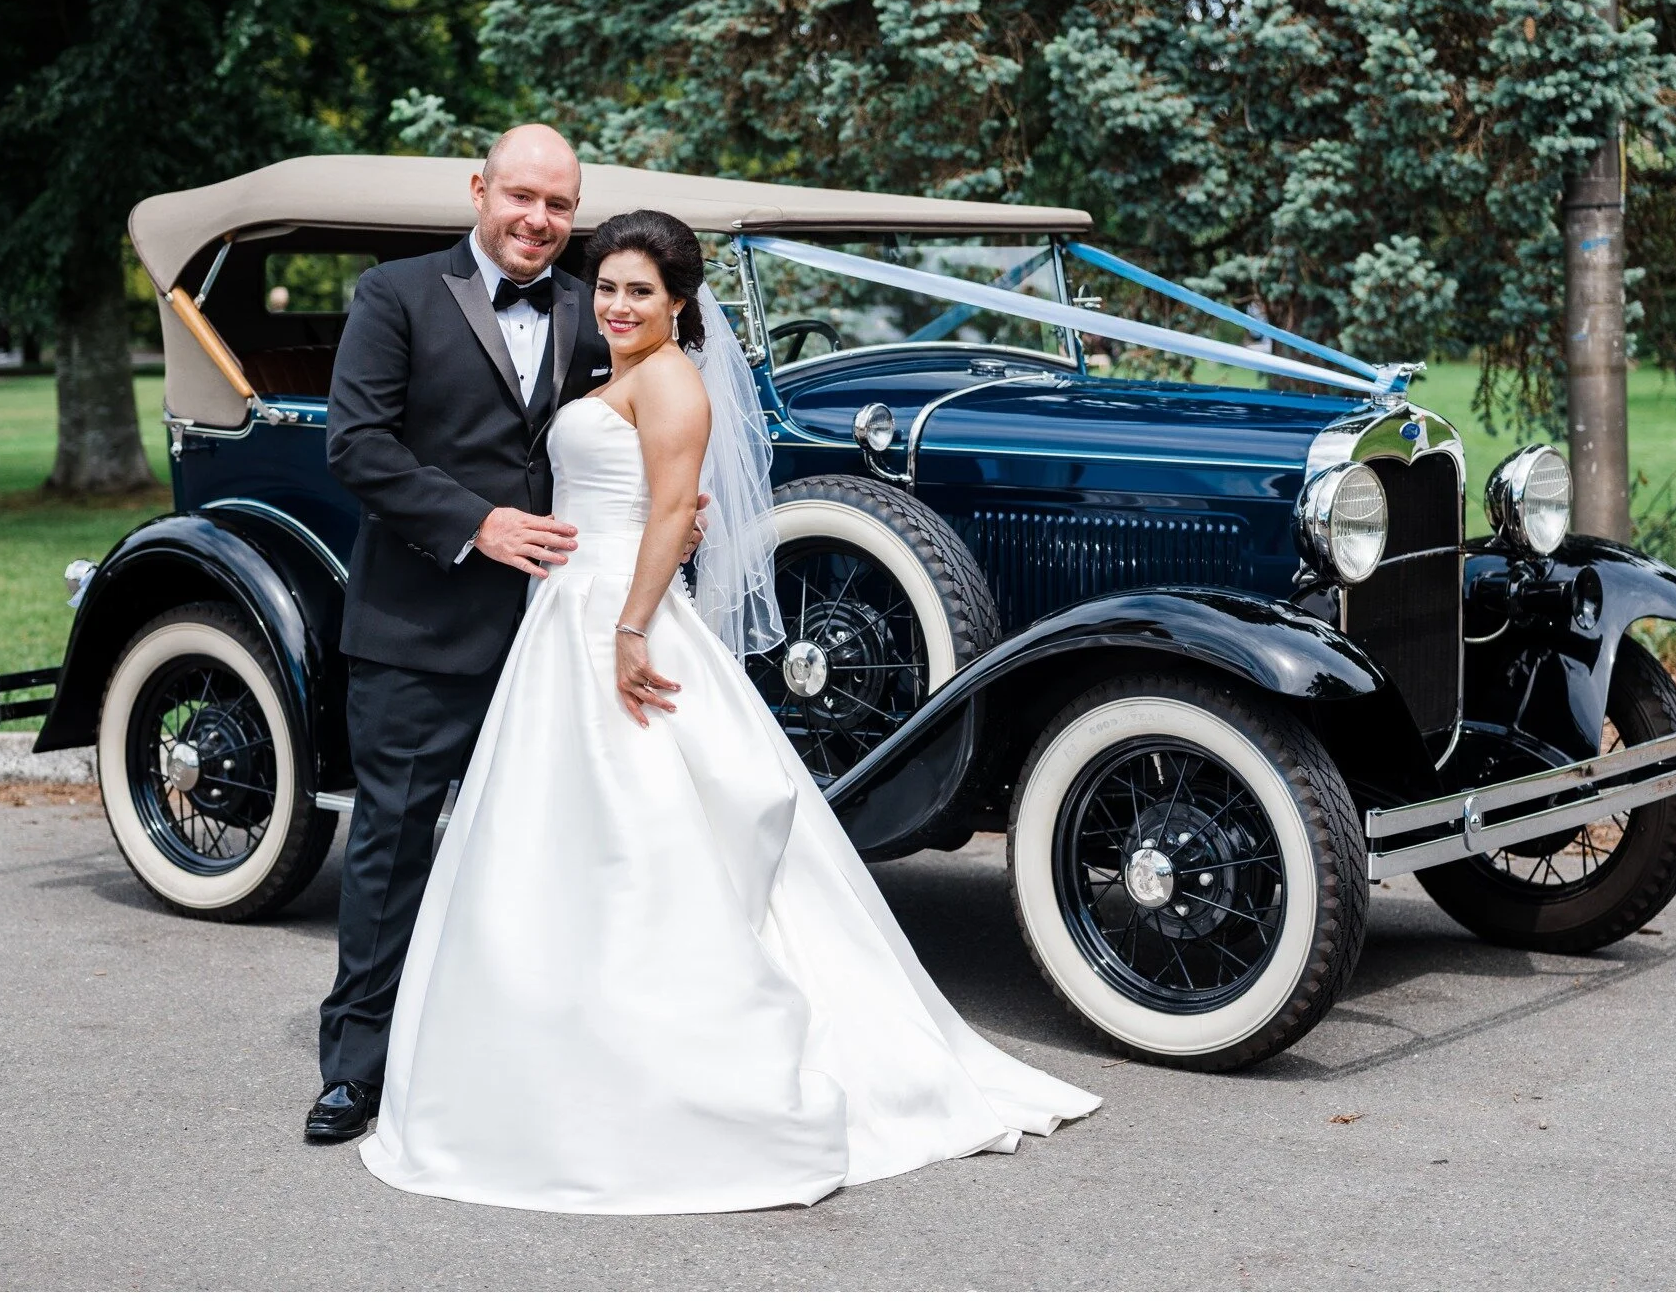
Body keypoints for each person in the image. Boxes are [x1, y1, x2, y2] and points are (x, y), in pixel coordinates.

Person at [356, 209, 1098, 1214]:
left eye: (640, 291)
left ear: (678, 304)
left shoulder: (668, 378)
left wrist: (630, 626)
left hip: (615, 615)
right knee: (557, 836)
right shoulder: (616, 366)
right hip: (565, 610)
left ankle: (663, 1062)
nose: (617, 305)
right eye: (607, 287)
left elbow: (671, 508)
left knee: (641, 835)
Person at [310, 126, 654, 1140]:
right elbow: (356, 445)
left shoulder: (592, 306)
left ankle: (526, 1060)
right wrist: (477, 523)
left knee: (552, 847)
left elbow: (636, 427)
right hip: (417, 627)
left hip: (558, 633)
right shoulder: (395, 295)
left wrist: (675, 506)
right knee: (392, 844)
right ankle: (354, 1068)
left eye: (559, 205)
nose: (538, 220)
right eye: (521, 196)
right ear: (478, 190)